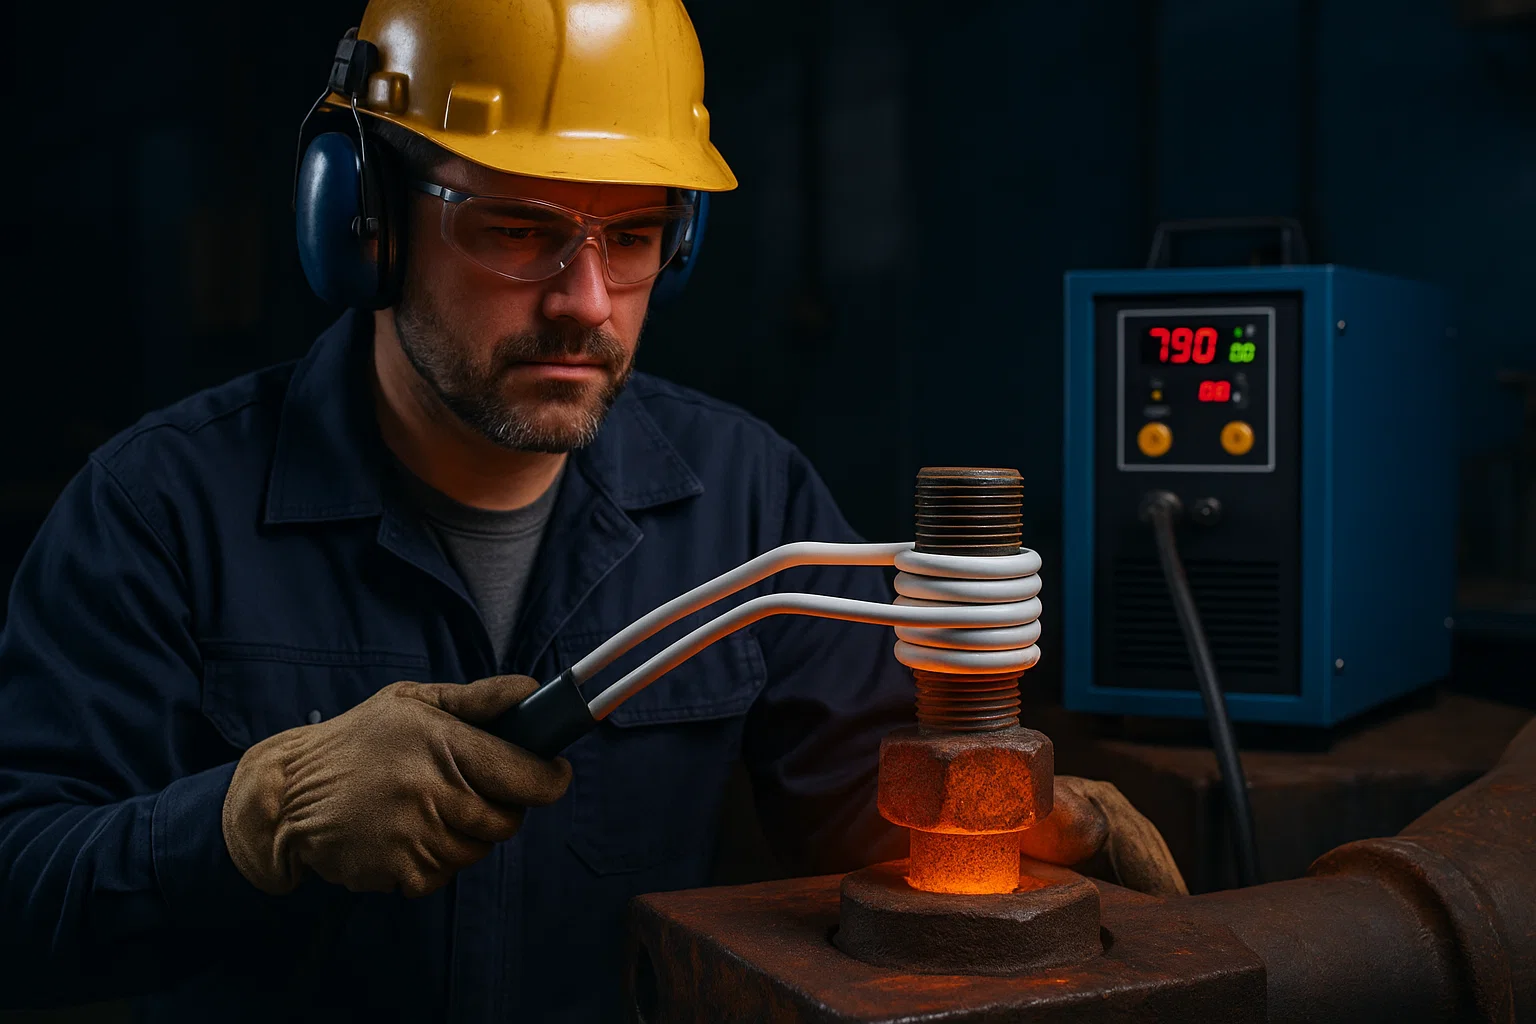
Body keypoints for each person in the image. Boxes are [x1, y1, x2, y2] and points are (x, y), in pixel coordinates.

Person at [0, 2, 1181, 1021]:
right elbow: (21, 895)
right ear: (365, 218)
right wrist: (251, 821)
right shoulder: (159, 510)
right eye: (517, 227)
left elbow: (864, 824)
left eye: (631, 236)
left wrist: (1022, 828)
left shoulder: (749, 503)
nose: (585, 300)